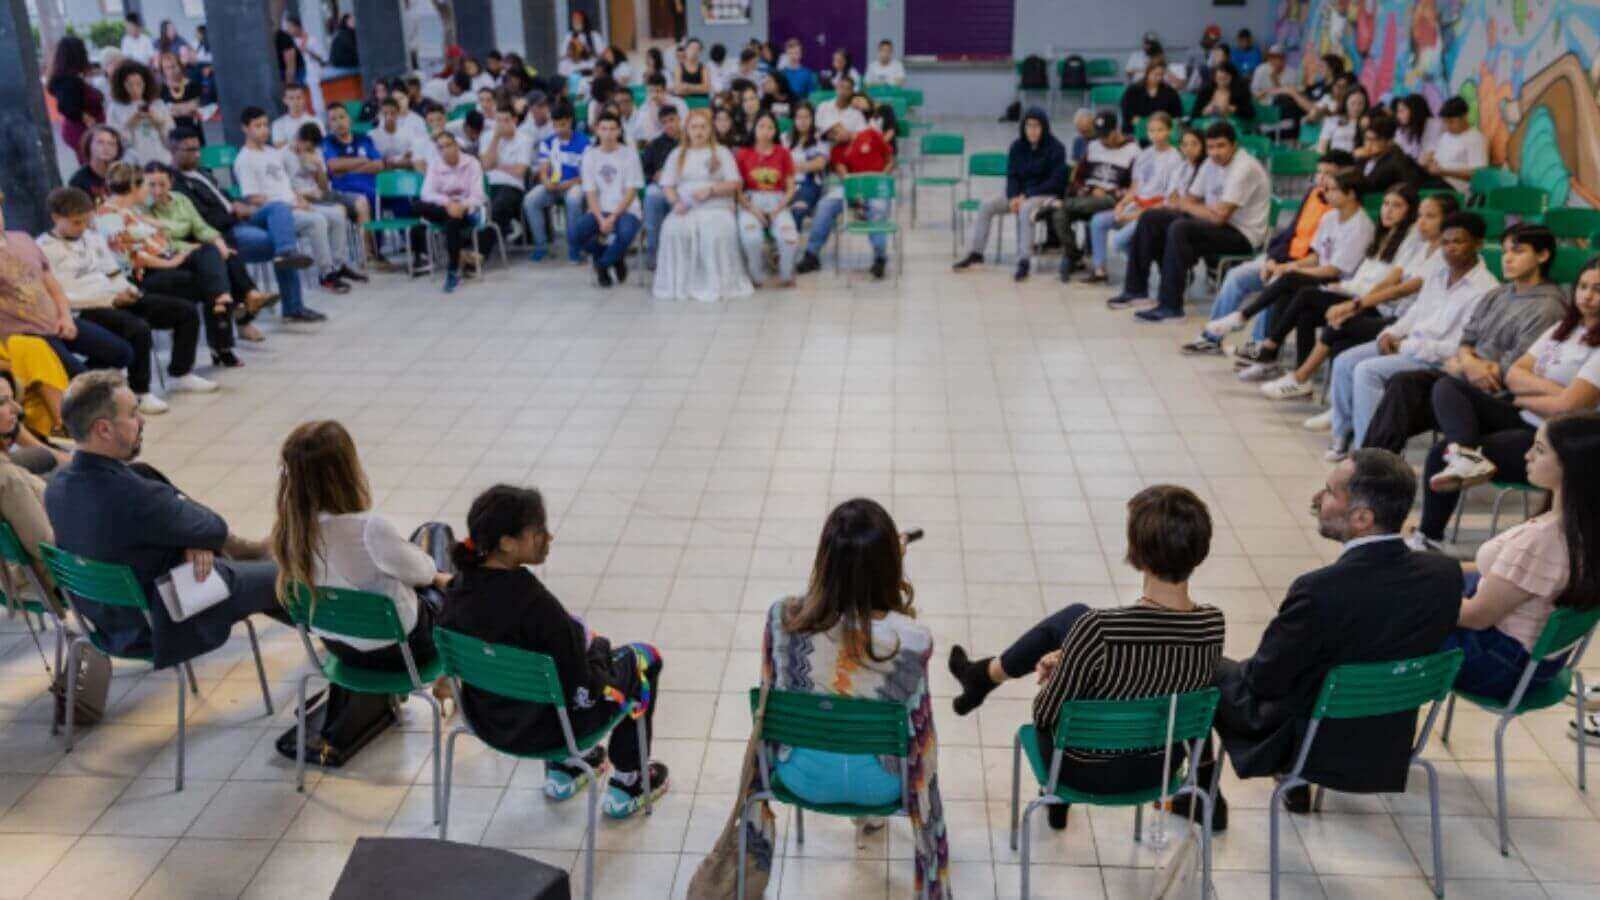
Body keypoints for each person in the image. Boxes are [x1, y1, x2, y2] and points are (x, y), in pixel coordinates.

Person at [1165, 450, 1461, 830]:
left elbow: (1262, 681)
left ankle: (1199, 794)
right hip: (1389, 738)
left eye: (1329, 492)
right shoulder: (1444, 576)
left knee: (1198, 661)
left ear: (1362, 518)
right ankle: (1295, 785)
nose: (1318, 499)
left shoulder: (1319, 592)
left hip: (1312, 742)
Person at [949, 485, 1224, 830]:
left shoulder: (1098, 630)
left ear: (1137, 552)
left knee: (1074, 626)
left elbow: (1045, 716)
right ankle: (982, 677)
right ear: (1201, 550)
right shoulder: (1213, 624)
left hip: (1081, 769)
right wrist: (1074, 657)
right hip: (1160, 768)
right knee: (1079, 630)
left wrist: (1060, 675)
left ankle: (983, 677)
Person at [438, 484, 668, 817]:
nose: (549, 537)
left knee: (549, 660)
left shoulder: (458, 592)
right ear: (506, 543)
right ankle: (628, 781)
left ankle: (564, 771)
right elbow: (583, 688)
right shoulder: (532, 602)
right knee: (644, 659)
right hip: (549, 730)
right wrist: (599, 651)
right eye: (537, 532)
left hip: (487, 720)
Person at [762, 498, 949, 897]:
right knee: (878, 717)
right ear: (890, 567)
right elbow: (920, 726)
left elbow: (779, 682)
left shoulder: (781, 619)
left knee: (831, 698)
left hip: (799, 776)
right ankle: (869, 816)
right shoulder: (913, 641)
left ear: (824, 561)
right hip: (882, 785)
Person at [44, 370, 291, 669]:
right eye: (133, 414)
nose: (143, 421)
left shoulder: (57, 485)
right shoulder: (134, 496)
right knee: (286, 575)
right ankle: (345, 643)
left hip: (106, 619)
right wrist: (198, 538)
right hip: (161, 619)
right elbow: (214, 526)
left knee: (146, 473)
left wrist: (193, 537)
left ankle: (247, 555)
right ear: (104, 429)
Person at [1414, 261, 1600, 547]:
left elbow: (1568, 407)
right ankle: (1463, 453)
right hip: (1524, 416)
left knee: (1441, 452)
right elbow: (1513, 373)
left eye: (1597, 289)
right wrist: (1550, 393)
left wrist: (1527, 395)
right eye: (1584, 287)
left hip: (1554, 439)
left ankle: (1429, 536)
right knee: (1447, 385)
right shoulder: (1564, 328)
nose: (1587, 295)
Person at [1440, 415, 1600, 725]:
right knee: (1419, 582)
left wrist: (1418, 598)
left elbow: (1476, 616)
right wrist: (1433, 571)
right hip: (1537, 664)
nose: (1527, 455)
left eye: (1539, 450)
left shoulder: (1543, 541)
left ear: (1571, 466)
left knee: (1394, 619)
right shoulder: (1584, 526)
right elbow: (1507, 574)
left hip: (1499, 665)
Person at [1362, 224, 1567, 457]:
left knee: (1416, 399)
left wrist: (1465, 365)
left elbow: (1517, 366)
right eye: (1505, 252)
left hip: (1498, 396)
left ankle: (1374, 466)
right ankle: (1372, 466)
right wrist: (1468, 361)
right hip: (1465, 378)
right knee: (1402, 384)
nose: (1507, 259)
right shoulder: (1499, 293)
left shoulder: (1548, 306)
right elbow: (1468, 337)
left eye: (1518, 252)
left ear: (1542, 255)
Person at [270, 420, 450, 684]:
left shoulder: (287, 533)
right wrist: (434, 577)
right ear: (346, 470)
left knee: (400, 565)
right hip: (405, 652)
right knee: (435, 534)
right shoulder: (369, 530)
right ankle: (456, 676)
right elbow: (424, 572)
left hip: (340, 648)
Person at [1326, 212, 1498, 457]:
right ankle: (1342, 435)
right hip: (1409, 347)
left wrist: (1405, 346)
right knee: (1344, 362)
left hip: (1435, 359)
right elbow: (1416, 311)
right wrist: (1391, 332)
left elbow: (1459, 345)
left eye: (1458, 242)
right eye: (1445, 242)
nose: (1450, 249)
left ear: (1478, 243)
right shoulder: (1438, 275)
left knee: (1367, 372)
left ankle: (1369, 453)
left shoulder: (1486, 288)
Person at [37, 187, 214, 415]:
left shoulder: (91, 237)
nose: (82, 228)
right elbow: (61, 294)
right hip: (85, 308)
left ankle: (181, 372)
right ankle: (141, 391)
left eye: (85, 222)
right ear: (55, 218)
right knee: (137, 329)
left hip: (115, 296)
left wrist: (129, 290)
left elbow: (112, 272)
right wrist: (109, 298)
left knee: (184, 311)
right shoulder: (43, 248)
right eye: (76, 223)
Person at [1256, 185, 1422, 401]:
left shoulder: (1408, 240)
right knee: (1302, 308)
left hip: (1372, 304)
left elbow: (1388, 284)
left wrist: (1353, 296)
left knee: (1303, 292)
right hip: (1353, 292)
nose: (1388, 210)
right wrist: (1344, 287)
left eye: (1397, 206)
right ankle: (1296, 377)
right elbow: (1360, 275)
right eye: (1386, 204)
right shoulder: (1382, 235)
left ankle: (1269, 348)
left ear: (1410, 211)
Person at [1180, 149, 1355, 353]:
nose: (1321, 180)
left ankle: (1257, 350)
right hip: (1285, 258)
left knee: (1274, 286)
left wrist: (1284, 267)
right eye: (1319, 173)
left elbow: (1322, 257)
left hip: (1306, 268)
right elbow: (1289, 233)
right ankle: (1211, 338)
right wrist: (1273, 259)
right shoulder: (1313, 194)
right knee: (1236, 276)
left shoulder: (1341, 212)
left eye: (1328, 175)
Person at [1207, 170, 1376, 378]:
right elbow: (1315, 256)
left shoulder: (1361, 226)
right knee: (1287, 285)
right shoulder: (1330, 217)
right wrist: (1288, 267)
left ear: (1351, 194)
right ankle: (1275, 360)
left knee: (1291, 282)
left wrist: (1292, 270)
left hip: (1341, 286)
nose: (1325, 194)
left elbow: (1334, 270)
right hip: (1321, 277)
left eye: (1332, 190)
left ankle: (1246, 321)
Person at [1112, 122, 1271, 322]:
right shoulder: (1210, 163)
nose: (1215, 152)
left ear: (1234, 145)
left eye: (1221, 146)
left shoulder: (1244, 168)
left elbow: (1218, 216)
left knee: (1180, 228)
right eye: (1211, 147)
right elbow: (1191, 199)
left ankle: (1171, 308)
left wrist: (1191, 207)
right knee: (1151, 218)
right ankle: (1136, 291)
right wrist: (1197, 208)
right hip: (1215, 223)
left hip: (1242, 234)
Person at [167, 126, 324, 324]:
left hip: (238, 216)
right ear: (173, 149)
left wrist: (240, 205)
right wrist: (234, 213)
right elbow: (202, 218)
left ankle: (286, 253)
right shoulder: (176, 184)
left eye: (198, 149)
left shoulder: (202, 172)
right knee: (276, 240)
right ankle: (293, 305)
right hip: (226, 231)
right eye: (190, 150)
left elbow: (223, 197)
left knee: (278, 207)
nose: (197, 154)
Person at [96, 163, 244, 367]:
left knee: (210, 253)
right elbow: (129, 257)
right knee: (210, 279)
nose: (151, 191)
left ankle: (222, 304)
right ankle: (221, 335)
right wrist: (170, 262)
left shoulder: (129, 211)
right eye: (148, 185)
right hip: (147, 274)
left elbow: (158, 235)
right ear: (134, 187)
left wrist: (173, 247)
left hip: (166, 258)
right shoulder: (109, 216)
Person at [0, 195, 135, 397]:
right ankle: (89, 395)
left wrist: (65, 316)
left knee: (121, 353)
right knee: (85, 381)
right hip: (26, 335)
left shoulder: (22, 239)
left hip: (57, 320)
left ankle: (88, 390)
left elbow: (52, 285)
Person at [143, 162, 280, 344]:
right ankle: (241, 305)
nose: (157, 190)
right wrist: (193, 247)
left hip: (192, 249)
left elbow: (200, 227)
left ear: (171, 182)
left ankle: (240, 302)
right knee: (213, 268)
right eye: (151, 184)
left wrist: (218, 242)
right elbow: (160, 242)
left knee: (227, 254)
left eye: (162, 184)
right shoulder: (144, 206)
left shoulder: (180, 199)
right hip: (168, 257)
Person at [236, 107, 353, 297]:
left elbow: (285, 184)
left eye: (266, 125)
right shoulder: (244, 159)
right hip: (277, 214)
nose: (264, 130)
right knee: (317, 221)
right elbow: (252, 198)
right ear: (245, 129)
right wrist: (291, 204)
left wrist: (298, 198)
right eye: (258, 126)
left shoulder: (271, 152)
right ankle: (326, 274)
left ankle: (338, 265)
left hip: (295, 203)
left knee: (338, 214)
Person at [950, 106, 1065, 281]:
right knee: (987, 205)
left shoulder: (1056, 148)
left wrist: (1025, 195)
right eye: (1028, 126)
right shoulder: (1017, 147)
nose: (1032, 131)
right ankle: (976, 253)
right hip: (1019, 194)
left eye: (1036, 126)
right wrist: (1012, 197)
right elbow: (1012, 176)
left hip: (1044, 194)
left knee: (1026, 209)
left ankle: (1023, 260)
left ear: (1044, 127)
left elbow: (1055, 182)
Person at [654, 109, 751, 302]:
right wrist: (675, 202)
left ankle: (715, 284)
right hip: (686, 206)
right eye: (694, 127)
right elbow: (667, 184)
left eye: (703, 127)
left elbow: (735, 183)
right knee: (673, 230)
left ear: (710, 130)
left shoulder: (721, 153)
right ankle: (681, 286)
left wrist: (712, 190)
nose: (698, 131)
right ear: (687, 130)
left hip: (716, 206)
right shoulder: (677, 154)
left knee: (712, 233)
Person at [795, 95, 895, 280]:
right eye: (831, 135)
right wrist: (855, 193)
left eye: (836, 130)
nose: (835, 136)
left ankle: (880, 258)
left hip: (877, 186)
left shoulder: (871, 134)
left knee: (878, 210)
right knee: (825, 204)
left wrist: (882, 179)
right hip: (852, 187)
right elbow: (843, 174)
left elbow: (890, 160)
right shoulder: (836, 151)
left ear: (843, 125)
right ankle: (811, 254)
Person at [1082, 115, 1191, 284]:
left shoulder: (1175, 158)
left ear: (1169, 131)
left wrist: (1134, 215)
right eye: (1151, 130)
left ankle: (1147, 266)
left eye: (1160, 130)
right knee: (1098, 221)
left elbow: (1169, 200)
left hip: (1155, 211)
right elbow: (1135, 187)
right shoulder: (1144, 154)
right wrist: (1122, 204)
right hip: (1136, 205)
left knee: (1119, 241)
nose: (1155, 134)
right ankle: (1100, 270)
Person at [1052, 112, 1140, 280]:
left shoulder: (1134, 151)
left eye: (1106, 136)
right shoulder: (1093, 146)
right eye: (1099, 135)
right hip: (1088, 197)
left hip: (1114, 200)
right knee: (1059, 216)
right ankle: (1074, 256)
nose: (1102, 140)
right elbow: (1078, 179)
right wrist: (1089, 190)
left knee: (1086, 203)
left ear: (1116, 131)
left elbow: (1134, 187)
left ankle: (1055, 205)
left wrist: (1109, 192)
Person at [573, 113, 644, 288]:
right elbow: (590, 192)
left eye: (613, 129)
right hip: (599, 210)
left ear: (619, 131)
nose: (608, 133)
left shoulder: (629, 154)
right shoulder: (590, 155)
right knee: (575, 235)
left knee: (626, 233)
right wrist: (600, 218)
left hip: (626, 209)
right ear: (597, 130)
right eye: (604, 129)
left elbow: (631, 191)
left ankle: (602, 265)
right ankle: (614, 257)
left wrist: (612, 218)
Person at [413, 131, 487, 293]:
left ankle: (452, 270)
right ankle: (457, 265)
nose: (445, 150)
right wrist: (448, 204)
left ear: (456, 145)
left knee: (452, 222)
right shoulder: (435, 164)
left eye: (448, 145)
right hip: (445, 210)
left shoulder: (472, 163)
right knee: (417, 205)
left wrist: (461, 206)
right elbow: (426, 193)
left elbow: (478, 196)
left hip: (467, 212)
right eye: (441, 147)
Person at [736, 112, 799, 287]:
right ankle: (756, 277)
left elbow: (791, 188)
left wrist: (777, 210)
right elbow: (737, 190)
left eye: (770, 127)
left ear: (775, 131)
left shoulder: (783, 153)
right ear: (754, 129)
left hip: (778, 201)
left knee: (789, 238)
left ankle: (786, 275)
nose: (765, 131)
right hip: (751, 202)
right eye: (761, 126)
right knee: (752, 238)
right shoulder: (743, 154)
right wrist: (754, 210)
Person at [521, 102, 589, 263]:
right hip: (553, 185)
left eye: (563, 125)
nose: (559, 129)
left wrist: (565, 184)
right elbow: (543, 169)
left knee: (573, 200)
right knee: (530, 200)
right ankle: (541, 246)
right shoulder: (548, 142)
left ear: (570, 121)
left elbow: (586, 176)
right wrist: (545, 181)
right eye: (556, 125)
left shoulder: (584, 142)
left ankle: (574, 248)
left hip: (574, 184)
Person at [0, 366, 72, 474]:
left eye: (12, 398)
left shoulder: (12, 426)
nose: (18, 409)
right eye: (2, 402)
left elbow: (56, 456)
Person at [48, 35, 105, 166]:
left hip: (83, 130)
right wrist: (87, 119)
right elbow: (67, 107)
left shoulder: (68, 78)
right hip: (83, 131)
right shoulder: (69, 81)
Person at [481, 108, 536, 241]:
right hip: (489, 184)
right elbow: (486, 165)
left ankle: (479, 252)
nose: (501, 125)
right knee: (483, 211)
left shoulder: (525, 139)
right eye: (498, 121)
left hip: (512, 185)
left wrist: (498, 166)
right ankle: (507, 228)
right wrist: (496, 138)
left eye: (506, 120)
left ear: (515, 121)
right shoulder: (487, 136)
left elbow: (520, 171)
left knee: (497, 210)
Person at [106, 60, 174, 165]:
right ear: (121, 85)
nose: (135, 89)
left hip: (162, 157)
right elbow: (115, 141)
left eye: (139, 84)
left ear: (146, 83)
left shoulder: (157, 104)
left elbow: (172, 136)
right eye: (129, 85)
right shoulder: (115, 108)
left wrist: (159, 122)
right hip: (134, 161)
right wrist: (130, 123)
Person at [640, 104, 681, 271]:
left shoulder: (690, 140)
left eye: (672, 120)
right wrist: (654, 176)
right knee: (652, 195)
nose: (669, 125)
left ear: (679, 119)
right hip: (662, 188)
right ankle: (654, 252)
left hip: (686, 186)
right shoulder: (654, 145)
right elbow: (644, 173)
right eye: (664, 122)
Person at [1421, 97, 1488, 195]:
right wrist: (1428, 163)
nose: (1447, 126)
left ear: (1464, 117)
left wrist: (1444, 172)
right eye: (1445, 122)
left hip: (1456, 189)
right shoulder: (1445, 136)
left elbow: (1478, 174)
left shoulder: (1476, 139)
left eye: (1451, 122)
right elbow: (1437, 161)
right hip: (1438, 181)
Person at [1351, 113, 1424, 196]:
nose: (1368, 144)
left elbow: (1370, 185)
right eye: (1366, 139)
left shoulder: (1397, 161)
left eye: (1373, 140)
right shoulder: (1363, 159)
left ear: (1389, 142)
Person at [783, 102, 829, 228]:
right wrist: (803, 166)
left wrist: (791, 166)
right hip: (786, 183)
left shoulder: (820, 139)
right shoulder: (785, 138)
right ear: (794, 119)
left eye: (806, 117)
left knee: (797, 210)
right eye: (799, 117)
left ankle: (791, 244)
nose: (802, 121)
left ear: (812, 119)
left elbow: (819, 164)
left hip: (809, 184)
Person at [1120, 60, 1184, 132]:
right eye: (1155, 74)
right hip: (1137, 129)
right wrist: (1135, 120)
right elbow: (1126, 110)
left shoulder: (1170, 92)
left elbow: (1176, 114)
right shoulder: (1133, 90)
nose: (1159, 78)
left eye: (1161, 75)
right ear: (1147, 73)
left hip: (1162, 130)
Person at [69, 126, 125, 201]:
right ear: (88, 146)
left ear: (118, 150)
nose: (106, 147)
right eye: (100, 142)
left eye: (111, 144)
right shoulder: (78, 181)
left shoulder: (124, 174)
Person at [158, 52, 204, 141]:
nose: (171, 71)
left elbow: (194, 107)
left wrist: (172, 108)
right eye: (167, 68)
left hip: (192, 129)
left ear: (180, 66)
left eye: (173, 66)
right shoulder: (160, 89)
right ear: (162, 71)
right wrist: (184, 108)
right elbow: (161, 112)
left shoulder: (192, 84)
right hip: (171, 132)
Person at [1317, 85, 1369, 154]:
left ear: (1365, 104)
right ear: (1345, 102)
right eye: (1352, 103)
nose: (1356, 108)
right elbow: (1321, 148)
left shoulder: (1368, 122)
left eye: (1361, 103)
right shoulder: (1332, 121)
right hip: (1334, 160)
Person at [271, 83, 321, 148]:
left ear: (304, 98)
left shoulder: (316, 121)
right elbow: (278, 147)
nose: (296, 101)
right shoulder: (278, 124)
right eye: (291, 98)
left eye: (299, 97)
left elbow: (321, 145)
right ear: (285, 100)